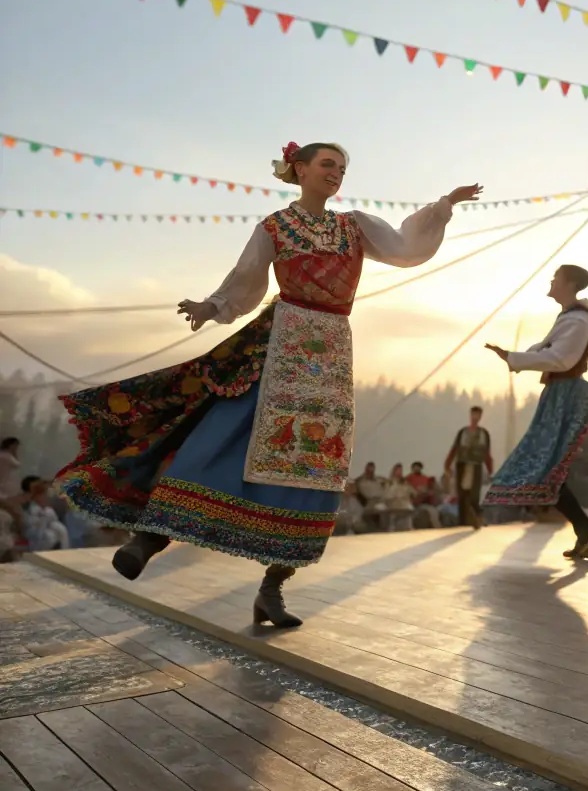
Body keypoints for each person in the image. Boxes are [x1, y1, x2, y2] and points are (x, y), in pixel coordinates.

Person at [55, 140, 482, 625]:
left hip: (332, 350)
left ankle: (272, 590)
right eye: (327, 164)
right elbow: (247, 280)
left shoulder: (354, 225)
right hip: (281, 340)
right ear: (299, 169)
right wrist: (211, 307)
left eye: (342, 168)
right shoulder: (275, 226)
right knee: (225, 431)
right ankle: (150, 537)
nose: (337, 173)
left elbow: (407, 248)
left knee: (317, 464)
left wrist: (444, 205)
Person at [484, 265, 588, 559]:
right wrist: (513, 356)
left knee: (549, 470)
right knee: (548, 472)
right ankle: (587, 532)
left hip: (568, 396)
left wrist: (514, 357)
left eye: (556, 278)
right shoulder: (569, 317)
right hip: (558, 395)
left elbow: (560, 358)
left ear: (570, 283)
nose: (552, 281)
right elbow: (546, 348)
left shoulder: (578, 319)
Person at [445, 406, 493, 528]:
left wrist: (490, 469)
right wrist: (447, 464)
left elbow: (487, 452)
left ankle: (478, 517)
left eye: (478, 415)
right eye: (473, 414)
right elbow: (455, 448)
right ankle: (463, 521)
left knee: (474, 494)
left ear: (480, 417)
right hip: (462, 464)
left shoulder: (483, 434)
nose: (475, 417)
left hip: (476, 465)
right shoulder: (463, 432)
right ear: (470, 415)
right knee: (462, 494)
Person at [21, 477, 69, 551]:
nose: (47, 497)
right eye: (45, 495)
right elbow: (30, 527)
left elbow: (54, 521)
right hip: (35, 534)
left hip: (49, 532)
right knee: (48, 536)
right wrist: (44, 520)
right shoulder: (30, 509)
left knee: (60, 529)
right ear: (37, 496)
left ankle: (64, 552)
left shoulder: (48, 510)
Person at [351, 461, 388, 531]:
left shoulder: (378, 479)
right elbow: (356, 490)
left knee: (387, 511)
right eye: (369, 469)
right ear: (366, 469)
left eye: (372, 469)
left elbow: (387, 483)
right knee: (376, 513)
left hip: (382, 501)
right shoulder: (361, 480)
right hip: (370, 502)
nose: (370, 471)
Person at [383, 461, 414, 531]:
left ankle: (409, 528)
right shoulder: (389, 482)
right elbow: (387, 495)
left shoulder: (404, 482)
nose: (399, 472)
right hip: (393, 503)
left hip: (405, 503)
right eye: (398, 470)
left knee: (408, 506)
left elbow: (411, 491)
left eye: (401, 470)